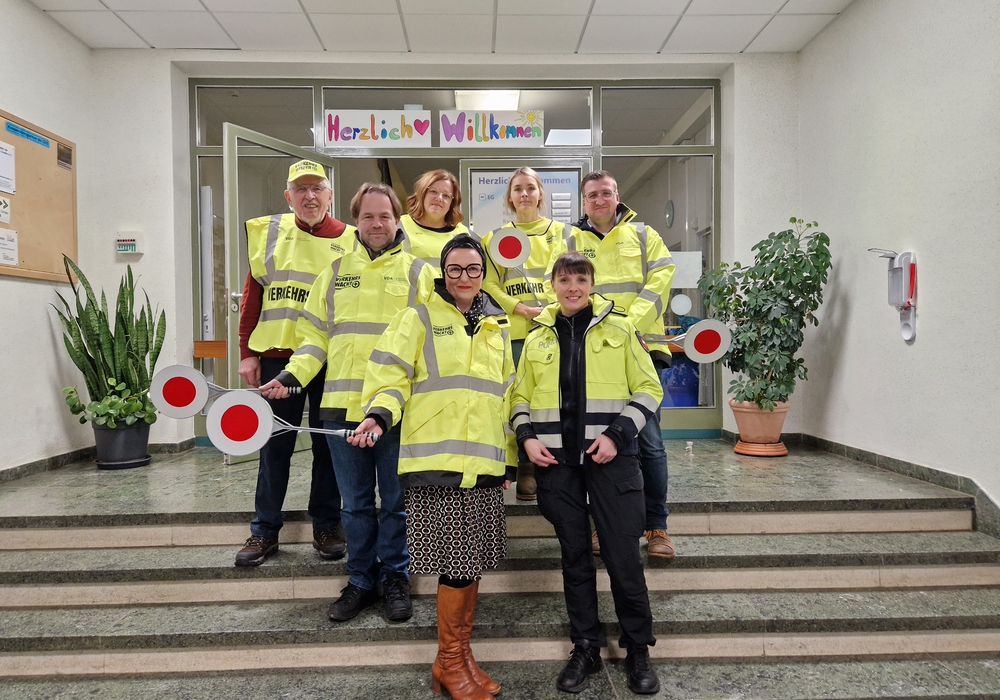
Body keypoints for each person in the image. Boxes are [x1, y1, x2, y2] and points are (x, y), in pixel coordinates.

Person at [259, 182, 436, 623]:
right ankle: (360, 579)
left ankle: (395, 577)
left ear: (398, 220)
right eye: (368, 216)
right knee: (354, 504)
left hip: (397, 411)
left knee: (395, 502)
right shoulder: (334, 273)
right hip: (340, 410)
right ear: (356, 220)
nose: (377, 224)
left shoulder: (420, 274)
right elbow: (314, 340)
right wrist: (290, 376)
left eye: (385, 216)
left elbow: (430, 347)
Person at [353, 234, 515, 700]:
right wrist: (378, 414)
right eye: (455, 268)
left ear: (484, 273)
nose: (464, 277)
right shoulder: (417, 317)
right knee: (457, 566)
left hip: (484, 463)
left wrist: (507, 459)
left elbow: (505, 396)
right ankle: (447, 662)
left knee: (475, 564)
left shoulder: (496, 326)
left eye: (473, 269)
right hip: (435, 463)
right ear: (443, 272)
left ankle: (461, 659)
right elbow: (388, 375)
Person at [512, 252, 662, 695]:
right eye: (564, 279)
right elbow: (517, 395)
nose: (573, 286)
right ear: (552, 284)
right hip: (557, 465)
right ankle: (585, 647)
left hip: (611, 460)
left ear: (592, 283)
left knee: (623, 559)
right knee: (575, 559)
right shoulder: (539, 334)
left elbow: (650, 388)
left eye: (580, 278)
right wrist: (527, 438)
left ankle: (638, 649)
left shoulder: (620, 328)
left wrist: (617, 433)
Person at [547, 171, 676, 560]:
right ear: (582, 202)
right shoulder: (568, 239)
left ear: (617, 196)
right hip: (585, 352)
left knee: (649, 443)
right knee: (589, 441)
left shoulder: (643, 235)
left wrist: (626, 324)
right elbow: (556, 284)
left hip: (639, 347)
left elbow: (661, 279)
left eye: (605, 193)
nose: (599, 200)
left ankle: (657, 526)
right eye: (591, 195)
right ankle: (601, 525)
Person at [234, 159, 350, 568]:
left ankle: (326, 524)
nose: (309, 196)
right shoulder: (268, 234)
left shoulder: (352, 241)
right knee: (274, 447)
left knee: (328, 445)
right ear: (289, 196)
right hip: (277, 360)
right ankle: (264, 530)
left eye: (317, 188)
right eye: (301, 189)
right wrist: (247, 352)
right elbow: (252, 300)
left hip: (332, 361)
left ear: (330, 195)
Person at [479, 167, 570, 501]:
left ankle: (549, 464)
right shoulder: (494, 238)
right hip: (514, 331)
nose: (524, 194)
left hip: (552, 328)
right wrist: (517, 307)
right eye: (517, 189)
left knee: (548, 397)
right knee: (517, 398)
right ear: (510, 198)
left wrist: (545, 309)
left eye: (530, 188)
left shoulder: (561, 233)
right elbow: (488, 283)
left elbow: (568, 275)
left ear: (540, 193)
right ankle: (524, 467)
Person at [399, 169, 469, 272]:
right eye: (433, 191)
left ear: (452, 202)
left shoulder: (464, 234)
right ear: (422, 193)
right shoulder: (398, 226)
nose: (439, 198)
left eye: (446, 195)